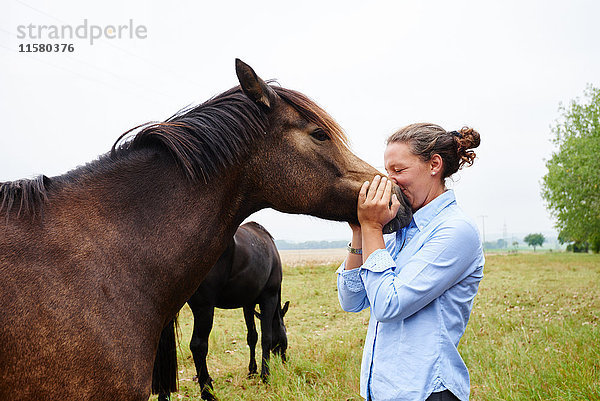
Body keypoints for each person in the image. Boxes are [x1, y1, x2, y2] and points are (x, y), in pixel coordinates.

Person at [337, 123, 484, 401]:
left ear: (434, 165)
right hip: (383, 390)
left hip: (427, 391)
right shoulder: (398, 229)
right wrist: (359, 230)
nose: (389, 181)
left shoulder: (455, 230)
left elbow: (389, 305)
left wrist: (372, 229)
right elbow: (351, 300)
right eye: (387, 170)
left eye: (399, 170)